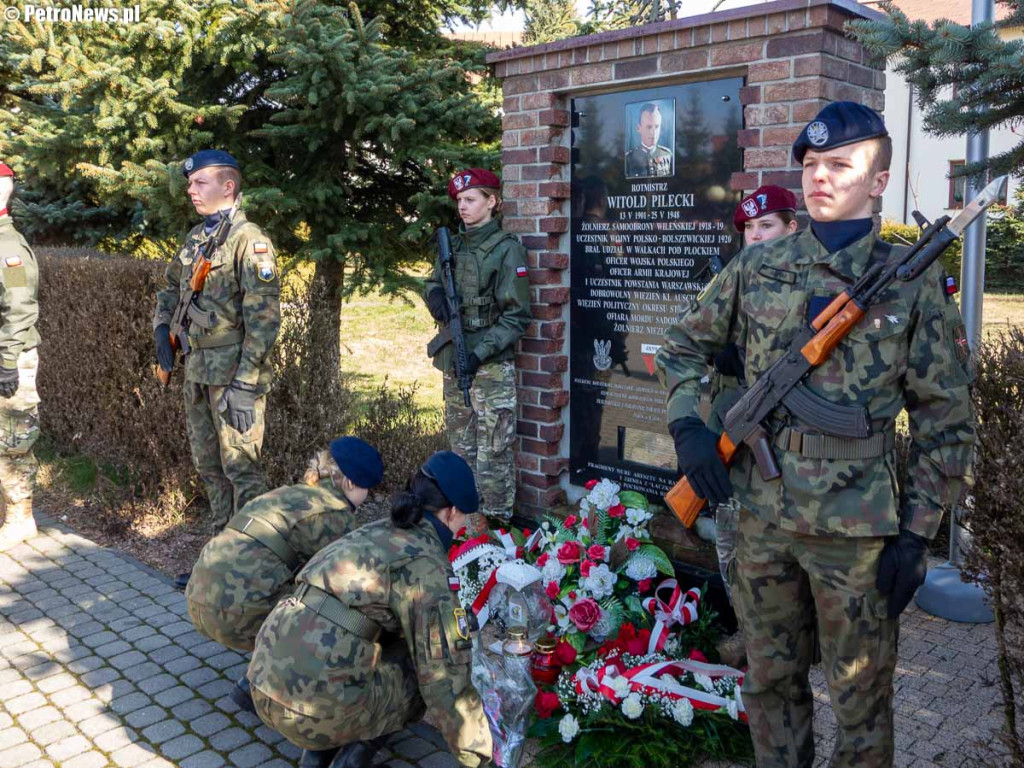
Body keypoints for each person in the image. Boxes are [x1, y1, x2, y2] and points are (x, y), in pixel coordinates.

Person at [656, 101, 976, 767]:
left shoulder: (912, 288)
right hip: (762, 519)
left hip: (857, 532)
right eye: (810, 165)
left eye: (839, 164)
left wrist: (917, 536)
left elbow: (945, 418)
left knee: (861, 697)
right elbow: (682, 348)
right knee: (770, 684)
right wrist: (690, 426)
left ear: (878, 181)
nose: (819, 177)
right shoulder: (756, 267)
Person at [247, 450, 493, 768]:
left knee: (381, 634)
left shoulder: (376, 530)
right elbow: (445, 677)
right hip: (312, 712)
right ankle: (349, 759)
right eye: (463, 519)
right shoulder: (426, 562)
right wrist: (482, 757)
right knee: (424, 670)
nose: (462, 527)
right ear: (452, 512)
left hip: (262, 682)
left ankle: (319, 754)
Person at [152, 149, 281, 589]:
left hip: (233, 379)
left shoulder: (250, 240)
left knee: (242, 470)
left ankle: (252, 570)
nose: (190, 189)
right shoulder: (196, 238)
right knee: (209, 467)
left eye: (199, 182)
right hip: (198, 371)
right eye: (190, 183)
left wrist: (245, 384)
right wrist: (161, 330)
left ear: (228, 186)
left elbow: (264, 320)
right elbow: (171, 287)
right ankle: (219, 565)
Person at [185, 436, 383, 710]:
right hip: (232, 616)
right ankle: (267, 685)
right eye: (368, 490)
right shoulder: (337, 517)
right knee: (329, 609)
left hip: (196, 596)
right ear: (350, 483)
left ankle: (252, 677)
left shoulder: (288, 493)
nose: (367, 497)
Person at [709, 184, 799, 667]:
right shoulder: (729, 283)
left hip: (785, 441)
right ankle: (747, 632)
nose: (756, 237)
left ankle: (781, 640)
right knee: (729, 537)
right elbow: (686, 342)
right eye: (748, 229)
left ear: (791, 228)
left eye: (767, 226)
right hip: (732, 430)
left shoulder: (811, 284)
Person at [423, 169, 530, 527]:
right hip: (455, 361)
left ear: (492, 202)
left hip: (490, 367)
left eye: (470, 200)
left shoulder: (506, 249)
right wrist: (435, 296)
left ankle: (497, 529)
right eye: (459, 201)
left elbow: (517, 316)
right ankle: (463, 527)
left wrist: (481, 352)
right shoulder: (450, 245)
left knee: (494, 451)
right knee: (461, 448)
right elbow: (432, 281)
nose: (462, 208)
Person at [0, 163, 41, 550]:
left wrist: (8, 361)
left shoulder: (9, 249)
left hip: (11, 359)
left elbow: (20, 307)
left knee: (14, 441)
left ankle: (20, 518)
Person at [625, 103, 673, 178]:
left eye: (657, 127)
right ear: (638, 128)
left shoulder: (667, 155)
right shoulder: (628, 158)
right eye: (649, 127)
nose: (653, 132)